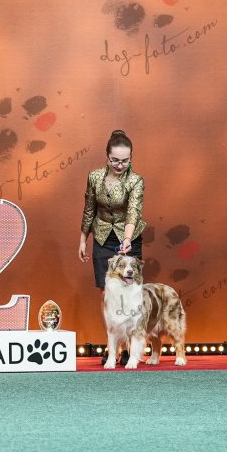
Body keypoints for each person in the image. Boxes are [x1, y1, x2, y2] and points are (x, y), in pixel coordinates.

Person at [79, 129, 147, 364]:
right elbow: (89, 208)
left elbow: (133, 212)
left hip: (129, 237)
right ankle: (112, 347)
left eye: (125, 161)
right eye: (115, 160)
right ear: (107, 156)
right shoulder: (94, 177)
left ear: (131, 158)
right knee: (107, 293)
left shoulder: (136, 181)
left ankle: (130, 347)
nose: (120, 165)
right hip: (102, 238)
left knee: (130, 292)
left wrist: (127, 240)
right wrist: (83, 239)